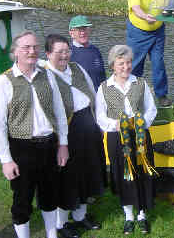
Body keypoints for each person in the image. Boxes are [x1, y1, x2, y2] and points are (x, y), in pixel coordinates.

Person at [0, 31, 69, 238]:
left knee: (50, 194)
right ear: (15, 52)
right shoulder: (3, 83)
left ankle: (52, 234)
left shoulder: (47, 75)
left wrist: (63, 144)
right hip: (21, 147)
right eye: (26, 47)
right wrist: (6, 160)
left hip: (49, 145)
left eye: (34, 47)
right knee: (22, 199)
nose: (32, 51)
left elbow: (59, 112)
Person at [43, 34, 106, 238]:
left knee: (86, 175)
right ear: (48, 54)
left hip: (88, 133)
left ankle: (80, 216)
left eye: (66, 50)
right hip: (66, 136)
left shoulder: (77, 69)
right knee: (67, 180)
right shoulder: (45, 77)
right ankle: (61, 224)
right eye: (59, 52)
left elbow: (94, 95)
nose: (64, 55)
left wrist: (99, 123)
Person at [95, 45, 157, 235]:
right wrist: (115, 125)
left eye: (129, 62)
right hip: (117, 137)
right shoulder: (104, 88)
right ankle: (129, 215)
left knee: (141, 173)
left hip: (139, 136)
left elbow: (151, 109)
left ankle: (142, 214)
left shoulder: (141, 83)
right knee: (124, 175)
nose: (126, 67)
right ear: (113, 65)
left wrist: (140, 123)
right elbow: (100, 116)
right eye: (121, 63)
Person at [126, 0, 171, 107]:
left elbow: (166, 8)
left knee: (158, 64)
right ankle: (133, 95)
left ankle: (162, 95)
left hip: (158, 32)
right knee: (136, 64)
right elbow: (136, 8)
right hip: (138, 33)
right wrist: (146, 17)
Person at [68, 15, 106, 92]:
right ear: (71, 33)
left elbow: (102, 76)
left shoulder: (95, 50)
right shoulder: (68, 53)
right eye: (79, 29)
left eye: (85, 29)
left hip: (99, 96)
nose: (83, 33)